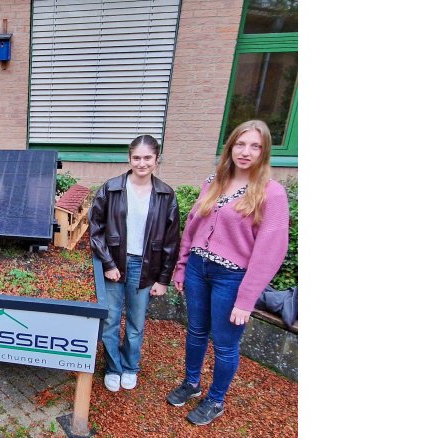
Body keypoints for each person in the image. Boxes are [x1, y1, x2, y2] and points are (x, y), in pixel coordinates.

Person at [165, 120, 289, 426]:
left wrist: (246, 299)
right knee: (195, 331)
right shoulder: (214, 181)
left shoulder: (271, 194)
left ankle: (216, 399)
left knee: (224, 343)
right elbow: (192, 226)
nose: (246, 152)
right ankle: (191, 383)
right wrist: (181, 267)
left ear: (264, 152)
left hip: (231, 279)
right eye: (240, 144)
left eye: (255, 146)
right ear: (230, 147)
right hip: (198, 269)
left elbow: (270, 250)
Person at [89, 135, 180, 392]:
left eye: (147, 158)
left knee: (136, 323)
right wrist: (107, 262)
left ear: (156, 159)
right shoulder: (112, 188)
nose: (142, 163)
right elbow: (96, 228)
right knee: (110, 320)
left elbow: (172, 241)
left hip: (146, 266)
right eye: (137, 158)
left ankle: (130, 367)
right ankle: (113, 367)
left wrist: (163, 279)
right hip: (115, 264)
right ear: (129, 158)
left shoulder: (165, 194)